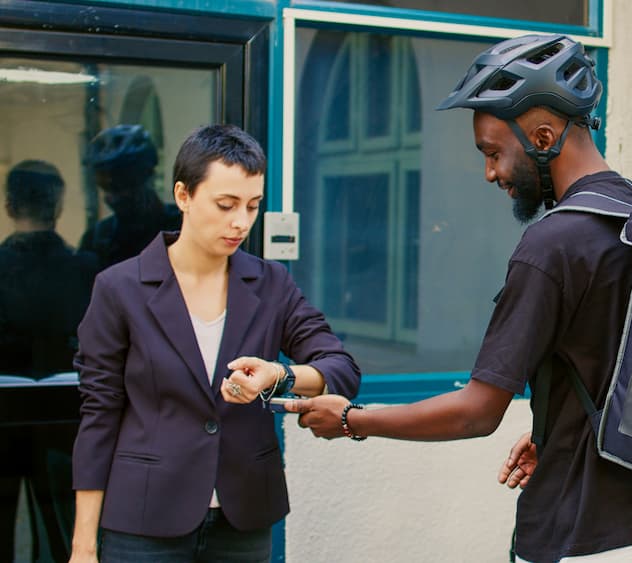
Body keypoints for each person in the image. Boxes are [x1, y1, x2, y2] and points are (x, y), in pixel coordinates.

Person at [286, 34, 632, 562]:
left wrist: (349, 421)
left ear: (544, 136)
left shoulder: (553, 244)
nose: (490, 173)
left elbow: (476, 413)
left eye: (493, 152)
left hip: (581, 542)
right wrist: (556, 432)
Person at [69, 124, 362, 563]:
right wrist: (83, 545)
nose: (241, 222)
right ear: (183, 195)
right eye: (225, 205)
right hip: (143, 519)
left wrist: (281, 375)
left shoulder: (271, 283)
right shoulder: (120, 288)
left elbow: (341, 367)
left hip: (243, 516)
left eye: (252, 206)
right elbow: (100, 414)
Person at [0, 160, 98, 562]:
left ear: (8, 205)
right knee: (63, 535)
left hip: (5, 419)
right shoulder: (83, 268)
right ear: (57, 205)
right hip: (64, 419)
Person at [79, 123, 182, 269]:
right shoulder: (97, 238)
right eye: (104, 188)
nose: (111, 198)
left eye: (120, 186)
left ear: (147, 177)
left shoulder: (183, 226)